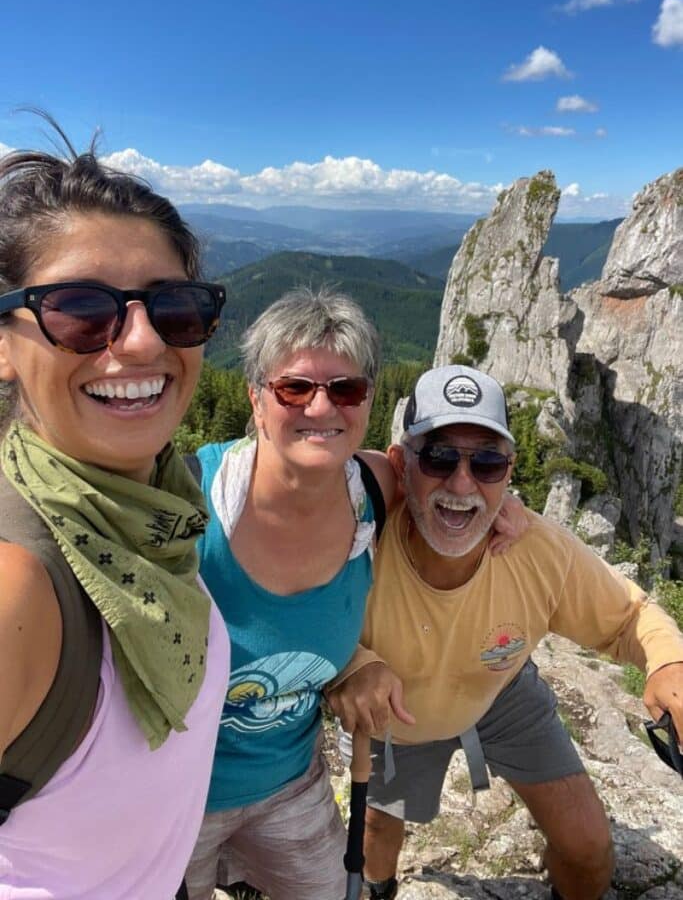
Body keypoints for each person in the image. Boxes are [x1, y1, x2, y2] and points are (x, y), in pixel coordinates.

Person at [184, 291, 529, 900]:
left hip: (289, 786)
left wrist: (501, 501)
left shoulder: (372, 489)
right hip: (170, 797)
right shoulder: (192, 503)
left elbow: (448, 479)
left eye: (345, 390)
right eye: (294, 388)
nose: (322, 407)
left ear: (367, 402)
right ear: (256, 400)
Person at [328, 363, 683, 900]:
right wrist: (352, 664)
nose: (462, 483)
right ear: (401, 464)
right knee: (376, 833)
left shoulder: (536, 551)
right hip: (391, 709)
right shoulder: (358, 540)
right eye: (439, 456)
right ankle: (379, 890)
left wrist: (668, 663)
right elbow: (290, 609)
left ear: (510, 472)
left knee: (589, 851)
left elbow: (631, 616)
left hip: (499, 689)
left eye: (488, 463)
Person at [0, 120, 230, 900]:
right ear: (4, 343)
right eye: (79, 309)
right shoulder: (18, 587)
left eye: (175, 308)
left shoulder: (163, 506)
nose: (136, 344)